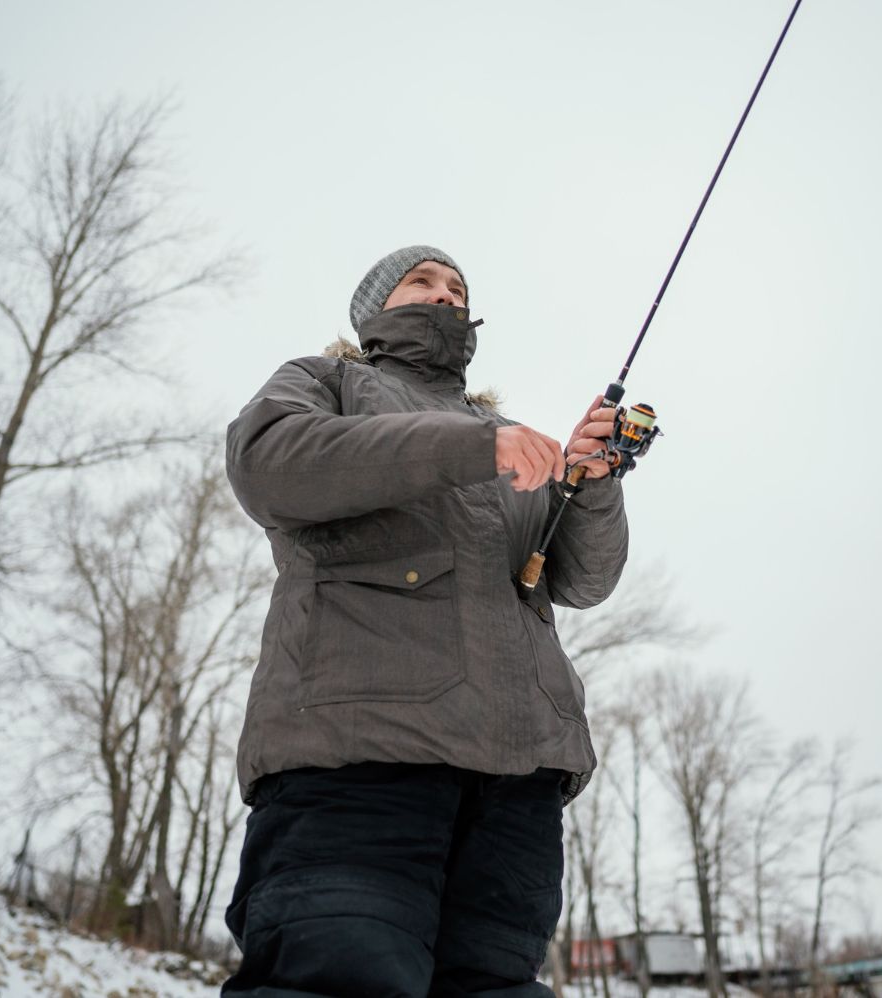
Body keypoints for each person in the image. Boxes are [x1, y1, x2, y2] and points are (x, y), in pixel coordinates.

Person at [221, 245, 629, 997]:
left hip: (518, 781)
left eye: (457, 288)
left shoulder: (503, 433)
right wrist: (473, 447)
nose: (444, 296)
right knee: (336, 979)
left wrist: (589, 485)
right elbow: (269, 461)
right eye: (423, 282)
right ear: (375, 309)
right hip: (359, 761)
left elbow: (584, 580)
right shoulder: (328, 381)